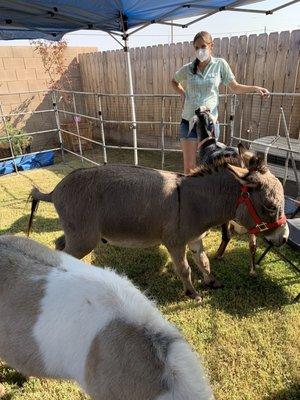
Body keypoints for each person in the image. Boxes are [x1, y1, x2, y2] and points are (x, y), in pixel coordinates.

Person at [171, 31, 270, 174]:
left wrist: (255, 88)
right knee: (189, 168)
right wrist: (183, 93)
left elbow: (235, 87)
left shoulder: (220, 65)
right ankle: (191, 195)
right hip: (188, 122)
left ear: (212, 45)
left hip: (209, 125)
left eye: (203, 46)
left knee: (210, 166)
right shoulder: (188, 69)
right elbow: (174, 81)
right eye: (197, 47)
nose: (200, 50)